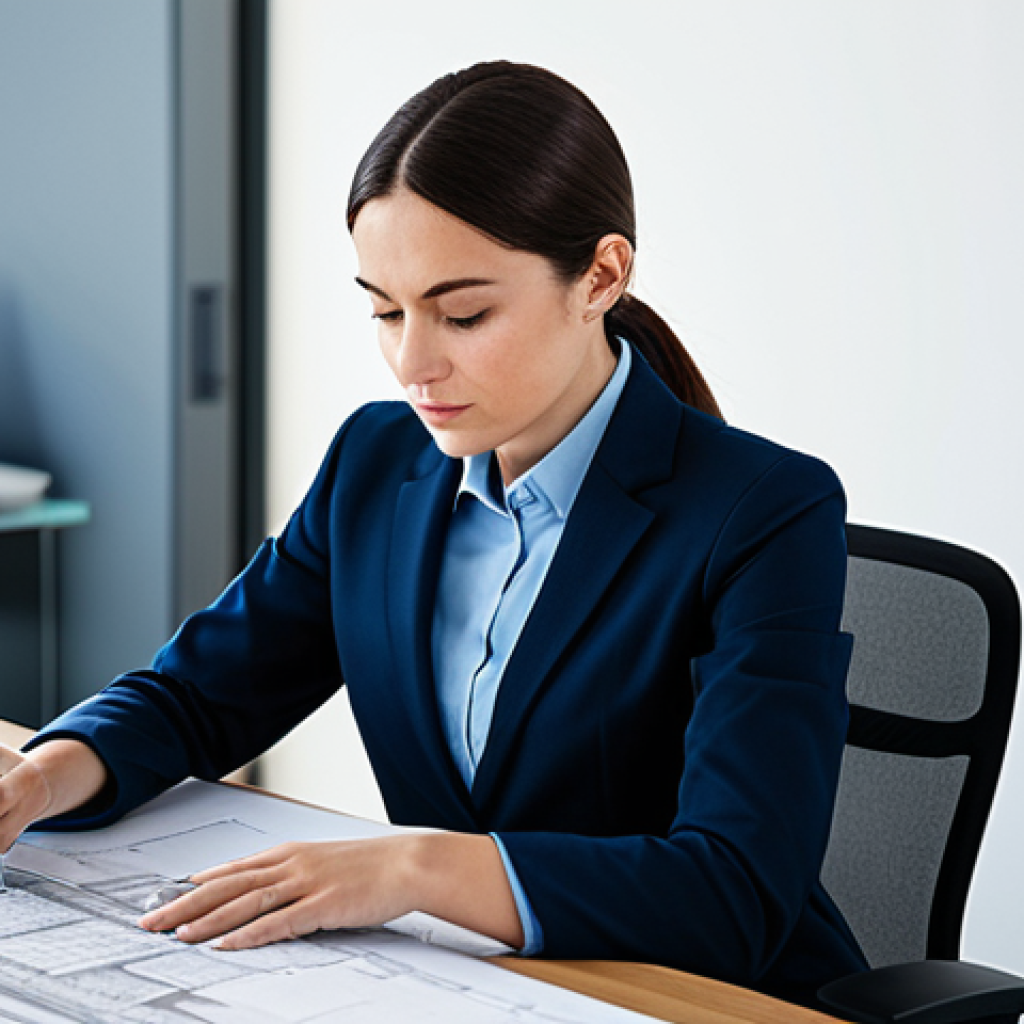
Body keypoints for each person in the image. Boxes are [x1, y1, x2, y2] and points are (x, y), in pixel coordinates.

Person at [0, 61, 867, 1007]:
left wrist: (413, 869)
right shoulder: (377, 464)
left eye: (463, 313)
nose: (413, 363)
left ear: (601, 276)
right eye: (384, 309)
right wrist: (41, 780)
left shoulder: (766, 511)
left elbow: (734, 890)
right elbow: (199, 696)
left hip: (691, 994)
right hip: (459, 986)